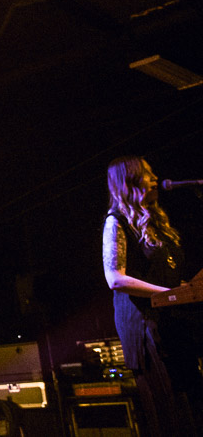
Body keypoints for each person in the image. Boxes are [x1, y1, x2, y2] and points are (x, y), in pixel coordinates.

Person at [101, 156, 203, 436]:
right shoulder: (117, 221)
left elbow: (168, 279)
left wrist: (186, 289)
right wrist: (170, 293)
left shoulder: (158, 224)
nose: (155, 177)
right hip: (145, 326)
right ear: (129, 181)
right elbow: (115, 278)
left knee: (193, 405)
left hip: (175, 324)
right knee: (171, 411)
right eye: (147, 173)